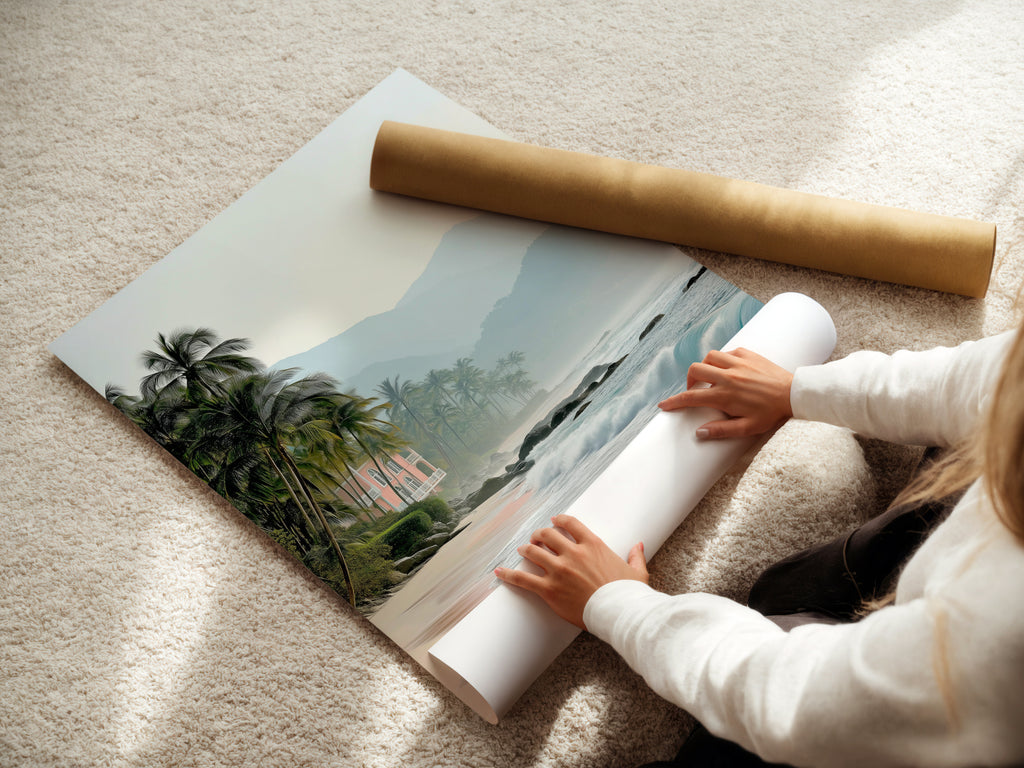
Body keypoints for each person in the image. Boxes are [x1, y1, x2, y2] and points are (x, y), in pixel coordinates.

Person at [494, 323, 1024, 767]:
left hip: (952, 718)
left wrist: (618, 604)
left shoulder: (999, 637)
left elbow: (795, 701)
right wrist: (796, 390)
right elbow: (984, 378)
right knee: (783, 591)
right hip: (952, 611)